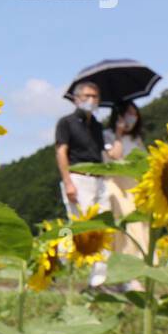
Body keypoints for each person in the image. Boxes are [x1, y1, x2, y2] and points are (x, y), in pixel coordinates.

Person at [55, 81, 109, 287]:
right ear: (76, 98)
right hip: (77, 178)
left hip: (99, 179)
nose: (91, 100)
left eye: (95, 97)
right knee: (76, 225)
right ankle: (56, 265)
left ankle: (98, 280)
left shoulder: (97, 125)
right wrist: (68, 182)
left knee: (102, 228)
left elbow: (102, 153)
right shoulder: (66, 122)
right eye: (87, 96)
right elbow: (61, 152)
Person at [104, 101, 149, 266]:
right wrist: (118, 133)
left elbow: (145, 161)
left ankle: (140, 261)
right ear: (119, 116)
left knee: (140, 222)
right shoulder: (107, 135)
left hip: (135, 184)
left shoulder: (136, 139)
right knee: (124, 220)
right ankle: (121, 261)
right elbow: (115, 156)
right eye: (129, 113)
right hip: (116, 183)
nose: (133, 117)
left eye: (135, 114)